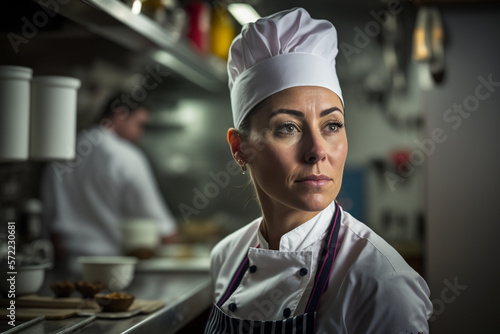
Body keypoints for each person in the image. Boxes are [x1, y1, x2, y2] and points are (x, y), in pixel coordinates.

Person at [205, 8, 432, 333]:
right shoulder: (225, 257)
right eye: (287, 127)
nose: (317, 151)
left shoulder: (382, 283)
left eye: (332, 125)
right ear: (240, 148)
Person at [41, 92, 178, 271]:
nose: (140, 133)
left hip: (63, 266)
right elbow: (161, 227)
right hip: (110, 269)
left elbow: (47, 216)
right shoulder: (126, 157)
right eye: (139, 124)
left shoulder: (63, 150)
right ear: (120, 115)